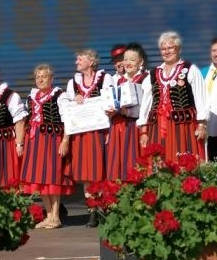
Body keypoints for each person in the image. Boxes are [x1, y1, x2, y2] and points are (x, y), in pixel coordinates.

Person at [64, 49, 112, 227]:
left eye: (80, 58)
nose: (76, 61)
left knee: (100, 173)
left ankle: (103, 209)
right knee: (86, 174)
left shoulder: (105, 79)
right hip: (81, 133)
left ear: (91, 62)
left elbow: (110, 102)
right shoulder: (73, 83)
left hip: (99, 132)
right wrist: (73, 99)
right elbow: (67, 109)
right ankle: (92, 211)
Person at [20, 64, 72, 229]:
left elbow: (68, 119)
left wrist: (65, 140)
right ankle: (49, 215)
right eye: (38, 77)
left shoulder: (59, 95)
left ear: (51, 78)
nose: (40, 80)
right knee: (40, 179)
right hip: (34, 142)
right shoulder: (32, 96)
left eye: (44, 76)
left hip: (52, 140)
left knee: (52, 177)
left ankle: (56, 216)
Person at [149, 31, 207, 164]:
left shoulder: (190, 69)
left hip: (183, 126)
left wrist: (202, 124)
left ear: (178, 49)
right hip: (159, 126)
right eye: (163, 49)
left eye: (170, 48)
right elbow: (148, 101)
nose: (166, 51)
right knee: (159, 161)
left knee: (183, 159)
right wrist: (144, 129)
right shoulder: (154, 73)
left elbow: (201, 98)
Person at [106, 44, 151, 183]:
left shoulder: (146, 78)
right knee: (118, 167)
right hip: (118, 127)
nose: (127, 63)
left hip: (135, 127)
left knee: (135, 163)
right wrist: (110, 112)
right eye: (125, 59)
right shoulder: (118, 80)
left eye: (132, 59)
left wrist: (128, 111)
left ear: (140, 62)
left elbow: (148, 107)